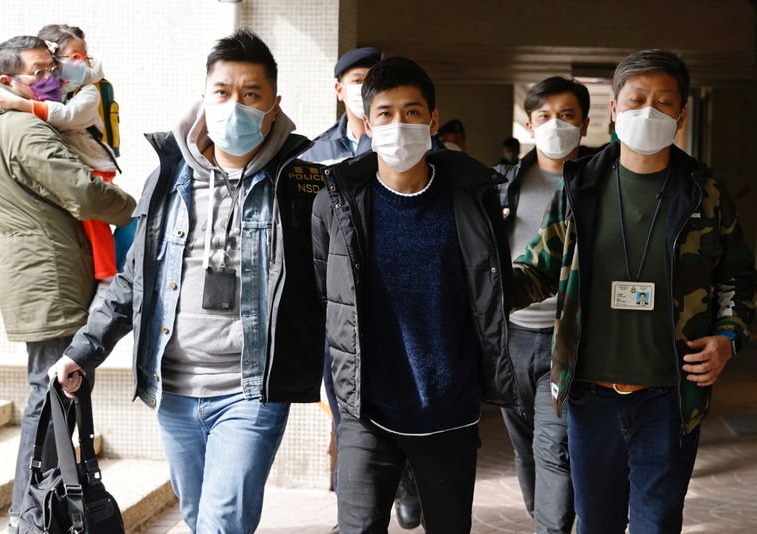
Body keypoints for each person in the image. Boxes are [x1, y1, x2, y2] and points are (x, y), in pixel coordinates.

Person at [49, 28, 325, 534]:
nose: (234, 105)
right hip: (173, 387)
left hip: (252, 391)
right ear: (204, 95)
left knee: (223, 523)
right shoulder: (168, 178)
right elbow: (134, 282)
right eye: (223, 92)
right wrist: (81, 351)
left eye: (251, 94)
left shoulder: (302, 185)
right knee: (199, 519)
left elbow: (329, 288)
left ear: (273, 105)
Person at [511, 49, 757, 533]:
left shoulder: (703, 191)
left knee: (657, 522)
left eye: (664, 102)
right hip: (590, 393)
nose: (650, 111)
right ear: (615, 110)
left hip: (670, 397)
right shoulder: (580, 185)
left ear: (681, 115)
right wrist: (476, 282)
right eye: (637, 99)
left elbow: (738, 277)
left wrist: (729, 339)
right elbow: (536, 271)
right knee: (595, 522)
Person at [312, 56, 519, 534]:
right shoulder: (336, 202)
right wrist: (337, 391)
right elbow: (328, 298)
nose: (398, 124)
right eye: (385, 113)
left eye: (411, 112)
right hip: (368, 410)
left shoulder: (472, 195)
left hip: (450, 409)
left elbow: (490, 287)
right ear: (367, 120)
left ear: (432, 119)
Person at [0, 35, 136, 532]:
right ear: (7, 82)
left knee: (56, 394)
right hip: (49, 278)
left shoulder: (7, 121)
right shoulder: (24, 129)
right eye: (37, 71)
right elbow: (83, 192)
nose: (51, 77)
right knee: (49, 397)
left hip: (42, 273)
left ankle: (39, 509)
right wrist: (139, 210)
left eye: (53, 67)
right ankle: (29, 514)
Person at [302, 45, 421, 531]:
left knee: (405, 402)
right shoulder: (314, 158)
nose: (364, 85)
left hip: (400, 307)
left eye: (372, 77)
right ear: (340, 90)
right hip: (342, 314)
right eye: (356, 79)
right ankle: (353, 510)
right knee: (346, 414)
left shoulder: (413, 146)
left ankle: (407, 480)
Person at [495, 75, 590, 534]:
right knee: (524, 443)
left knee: (555, 447)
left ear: (585, 123)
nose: (556, 125)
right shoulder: (503, 185)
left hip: (567, 338)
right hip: (511, 335)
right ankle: (543, 519)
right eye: (545, 116)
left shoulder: (598, 183)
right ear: (530, 126)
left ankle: (551, 528)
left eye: (567, 115)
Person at [0, 24, 122, 310]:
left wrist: (18, 102)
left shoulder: (89, 91)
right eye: (70, 57)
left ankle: (108, 278)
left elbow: (66, 115)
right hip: (45, 267)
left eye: (83, 55)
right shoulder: (49, 91)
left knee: (96, 223)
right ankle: (106, 277)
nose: (78, 62)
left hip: (95, 166)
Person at [300, 46, 382, 165]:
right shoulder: (317, 151)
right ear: (339, 90)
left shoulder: (397, 141)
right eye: (357, 80)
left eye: (373, 81)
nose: (366, 88)